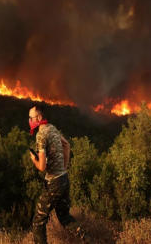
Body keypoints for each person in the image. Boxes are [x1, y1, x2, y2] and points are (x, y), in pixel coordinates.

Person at [28, 104, 93, 244]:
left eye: (31, 118)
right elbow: (67, 145)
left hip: (54, 184)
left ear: (39, 118)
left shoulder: (41, 135)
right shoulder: (52, 128)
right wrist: (63, 169)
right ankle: (89, 241)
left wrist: (34, 159)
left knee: (38, 221)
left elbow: (42, 166)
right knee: (65, 217)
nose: (30, 120)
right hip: (63, 179)